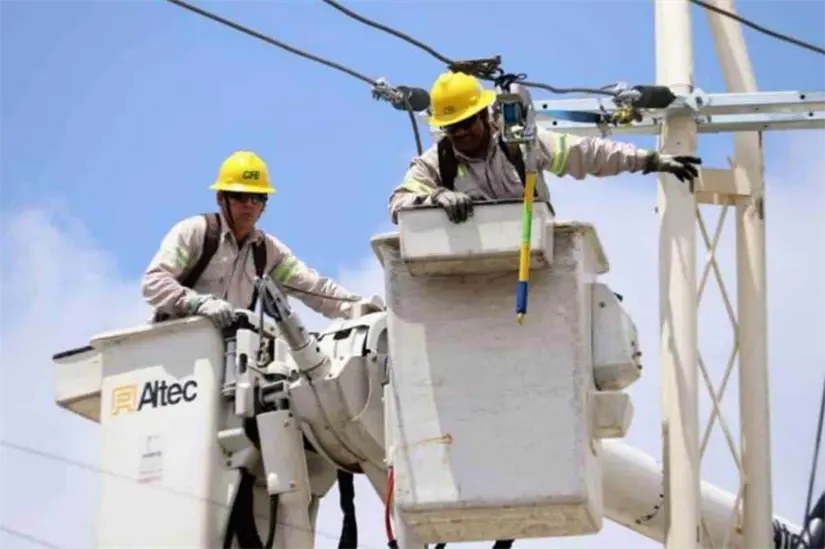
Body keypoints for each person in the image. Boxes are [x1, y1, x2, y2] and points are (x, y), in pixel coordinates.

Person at [388, 71, 702, 224]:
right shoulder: (435, 163)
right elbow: (398, 203)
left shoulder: (520, 146)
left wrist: (649, 160)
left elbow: (587, 154)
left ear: (483, 114)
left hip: (531, 255)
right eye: (452, 127)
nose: (461, 132)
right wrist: (436, 196)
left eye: (467, 122)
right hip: (472, 265)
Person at [142, 150, 378, 328]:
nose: (249, 204)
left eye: (257, 197)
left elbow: (314, 289)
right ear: (221, 198)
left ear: (265, 204)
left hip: (224, 358)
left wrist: (360, 309)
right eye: (240, 196)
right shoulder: (195, 232)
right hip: (175, 349)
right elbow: (154, 282)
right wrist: (197, 303)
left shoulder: (267, 252)